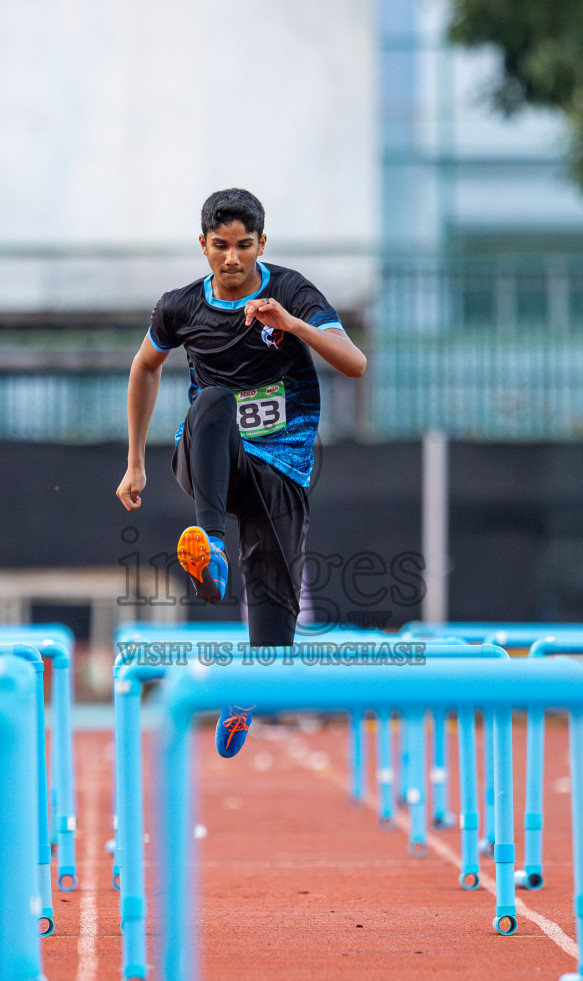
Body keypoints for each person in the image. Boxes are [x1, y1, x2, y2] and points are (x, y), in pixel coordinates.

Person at [115, 188, 366, 757]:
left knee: (275, 639)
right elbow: (145, 366)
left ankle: (246, 695)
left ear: (262, 244)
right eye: (221, 246)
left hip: (281, 468)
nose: (232, 259)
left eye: (244, 246)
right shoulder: (180, 307)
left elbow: (355, 363)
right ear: (203, 246)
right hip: (211, 459)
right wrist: (134, 462)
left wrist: (293, 325)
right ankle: (210, 544)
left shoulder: (291, 290)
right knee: (213, 401)